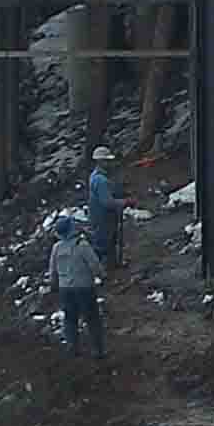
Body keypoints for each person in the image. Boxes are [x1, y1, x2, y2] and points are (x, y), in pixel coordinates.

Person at [49, 213, 106, 364]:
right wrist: (102, 275)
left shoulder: (56, 248)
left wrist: (53, 284)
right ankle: (97, 350)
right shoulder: (82, 245)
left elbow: (52, 270)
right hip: (84, 287)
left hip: (65, 289)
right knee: (92, 318)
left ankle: (73, 347)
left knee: (70, 318)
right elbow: (94, 264)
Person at [85, 147, 120, 267]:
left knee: (110, 242)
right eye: (106, 161)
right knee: (103, 243)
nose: (109, 163)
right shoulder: (100, 180)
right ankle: (98, 270)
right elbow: (108, 202)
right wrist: (124, 202)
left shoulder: (95, 175)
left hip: (100, 215)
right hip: (102, 217)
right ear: (99, 162)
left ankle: (112, 265)